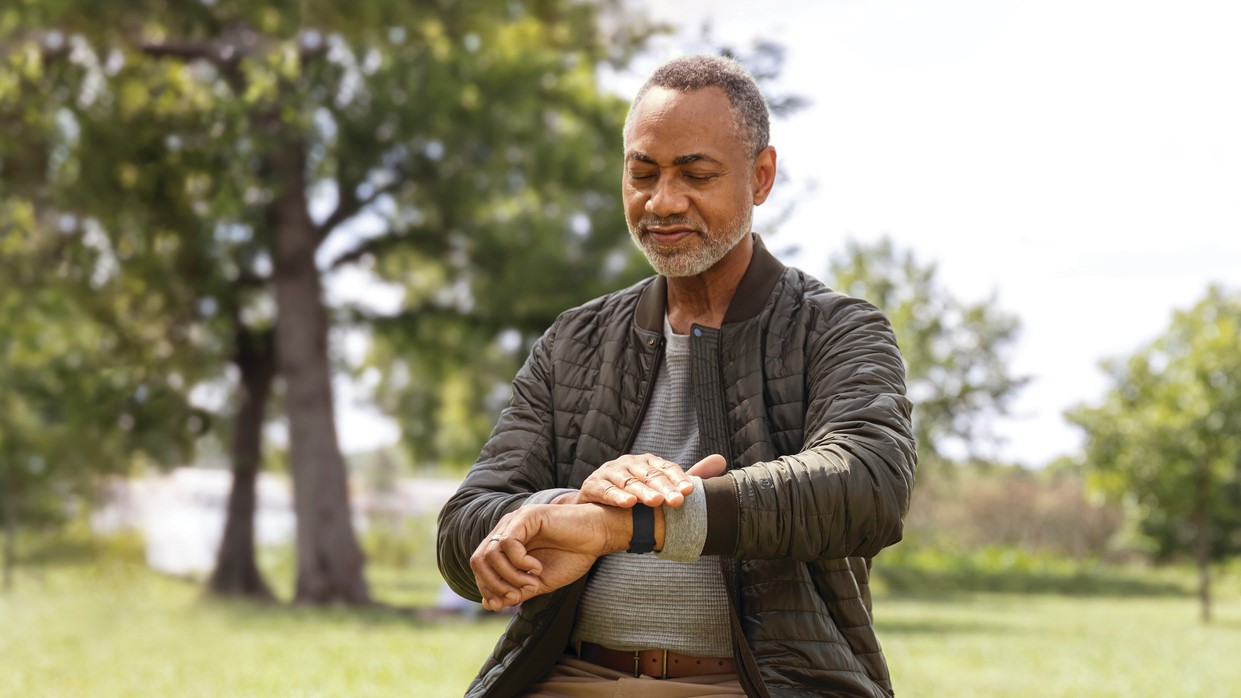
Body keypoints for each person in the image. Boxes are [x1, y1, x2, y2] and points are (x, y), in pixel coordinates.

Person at [437, 54, 915, 698]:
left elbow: (868, 487)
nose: (662, 201)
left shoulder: (837, 329)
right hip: (564, 678)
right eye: (643, 173)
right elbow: (465, 522)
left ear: (762, 176)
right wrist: (563, 509)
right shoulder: (574, 339)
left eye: (696, 174)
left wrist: (632, 525)